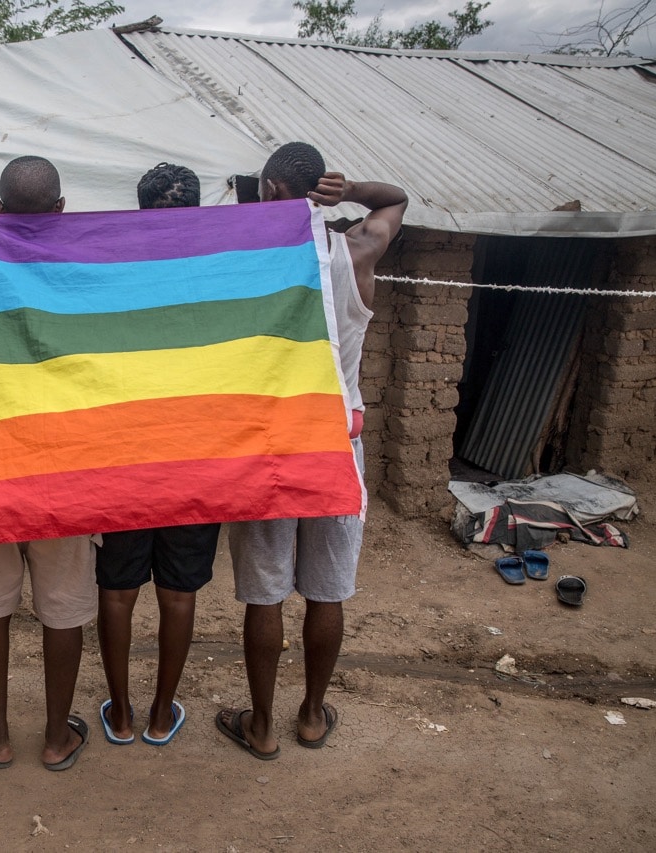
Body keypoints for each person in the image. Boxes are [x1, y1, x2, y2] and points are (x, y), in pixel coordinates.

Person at [216, 141, 407, 759]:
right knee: (327, 591)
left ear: (270, 191)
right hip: (336, 442)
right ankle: (312, 715)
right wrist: (349, 192)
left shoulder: (248, 266)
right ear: (322, 191)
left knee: (266, 591)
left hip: (270, 446)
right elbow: (396, 199)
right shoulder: (356, 253)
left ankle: (262, 725)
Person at [0, 155, 97, 771]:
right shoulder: (84, 263)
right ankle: (58, 738)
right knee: (63, 605)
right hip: (67, 466)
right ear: (61, 210)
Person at [96, 163, 220, 747]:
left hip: (124, 459)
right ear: (195, 211)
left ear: (140, 208)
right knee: (178, 594)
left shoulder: (114, 271)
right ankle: (160, 713)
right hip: (197, 459)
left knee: (117, 593)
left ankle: (119, 714)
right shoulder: (219, 275)